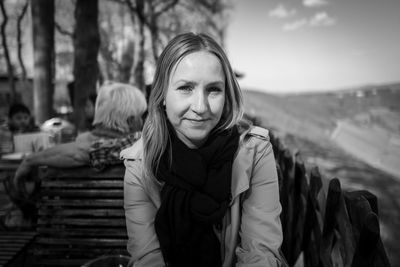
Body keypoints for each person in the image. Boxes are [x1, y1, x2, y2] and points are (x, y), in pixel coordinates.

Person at [121, 33, 285, 267]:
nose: (200, 107)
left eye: (214, 90)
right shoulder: (139, 165)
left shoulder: (254, 151)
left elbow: (260, 252)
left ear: (227, 96)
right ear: (162, 96)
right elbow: (148, 257)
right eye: (185, 88)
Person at [11, 82, 147, 200]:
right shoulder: (140, 145)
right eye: (142, 116)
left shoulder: (81, 143)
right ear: (131, 120)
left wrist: (31, 159)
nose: (144, 121)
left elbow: (81, 153)